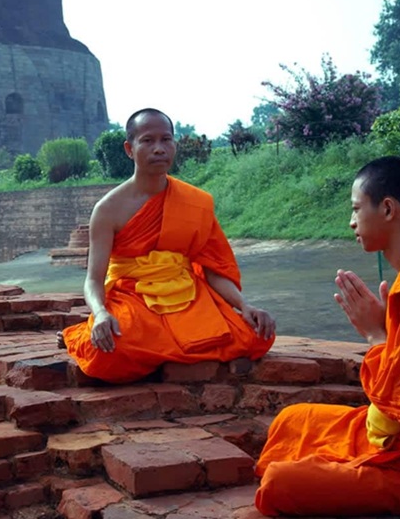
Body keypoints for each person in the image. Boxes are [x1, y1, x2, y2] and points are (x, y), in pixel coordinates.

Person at [253, 156, 400, 517]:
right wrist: (385, 330)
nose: (352, 221)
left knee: (280, 483)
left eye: (357, 209)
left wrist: (375, 335)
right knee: (291, 420)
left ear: (388, 209)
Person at [61, 108, 276, 383]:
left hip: (186, 293)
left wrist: (245, 306)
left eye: (166, 140)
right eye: (148, 141)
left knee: (255, 337)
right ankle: (92, 331)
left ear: (175, 145)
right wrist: (101, 313)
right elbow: (93, 279)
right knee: (107, 354)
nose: (159, 149)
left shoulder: (195, 202)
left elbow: (212, 271)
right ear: (129, 148)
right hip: (133, 295)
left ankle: (161, 354)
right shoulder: (108, 209)